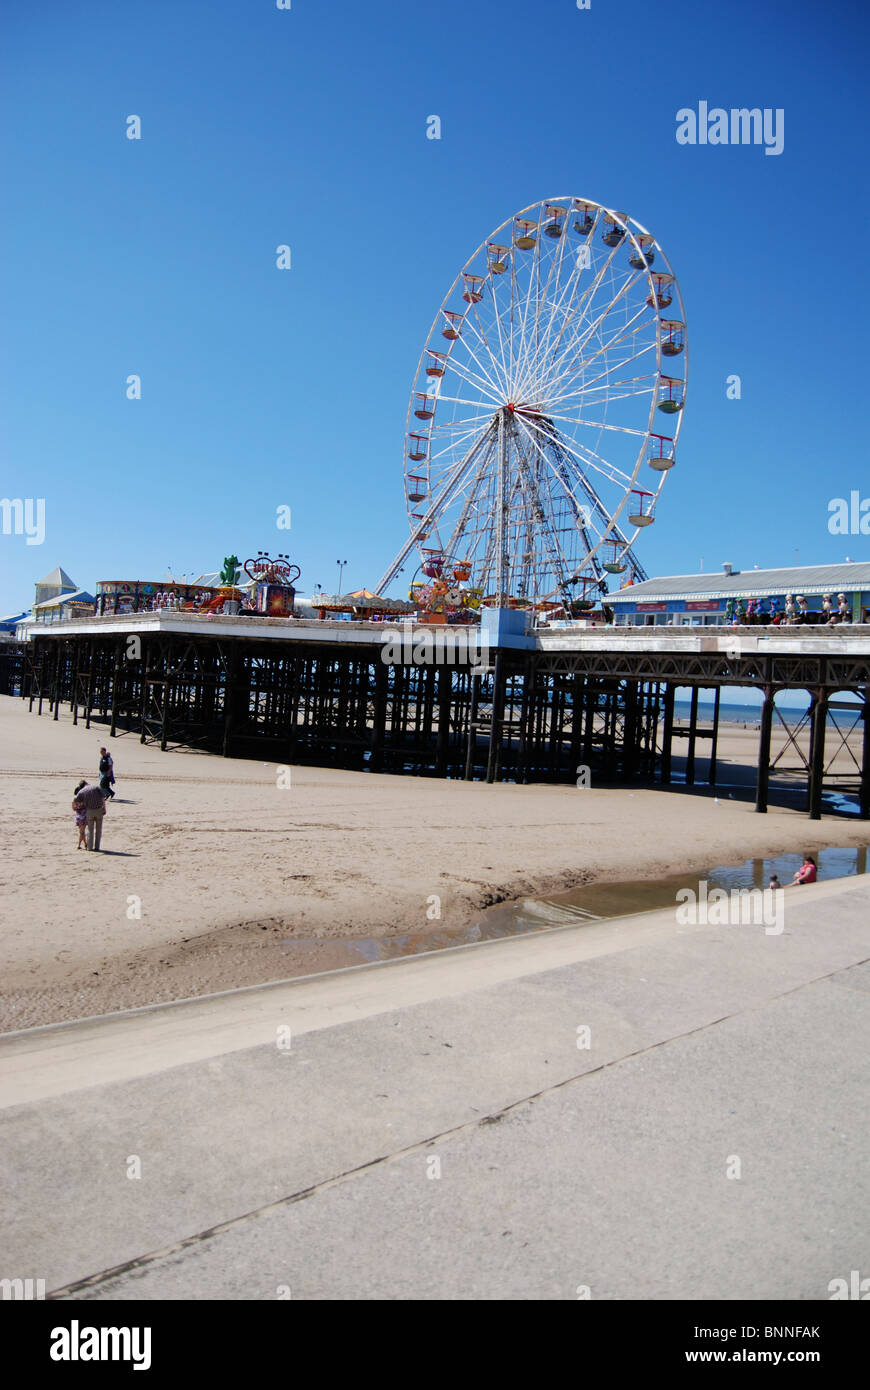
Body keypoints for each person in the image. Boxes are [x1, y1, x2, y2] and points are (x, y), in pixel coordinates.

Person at [76, 780, 108, 851]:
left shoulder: (81, 791)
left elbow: (77, 800)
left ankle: (90, 847)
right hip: (99, 810)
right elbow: (103, 798)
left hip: (89, 811)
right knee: (98, 830)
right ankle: (97, 847)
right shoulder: (96, 787)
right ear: (87, 783)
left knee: (90, 830)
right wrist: (104, 808)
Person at [72, 782, 88, 850]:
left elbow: (73, 808)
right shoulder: (84, 799)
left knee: (81, 832)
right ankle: (79, 845)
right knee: (82, 832)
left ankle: (85, 844)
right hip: (83, 816)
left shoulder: (75, 799)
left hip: (77, 816)